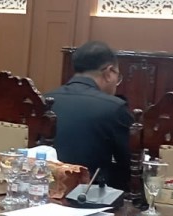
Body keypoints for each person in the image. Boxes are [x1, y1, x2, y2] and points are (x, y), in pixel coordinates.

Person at [45, 41, 133, 191]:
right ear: (109, 72)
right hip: (90, 196)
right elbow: (129, 164)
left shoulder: (44, 99)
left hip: (45, 190)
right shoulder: (114, 107)